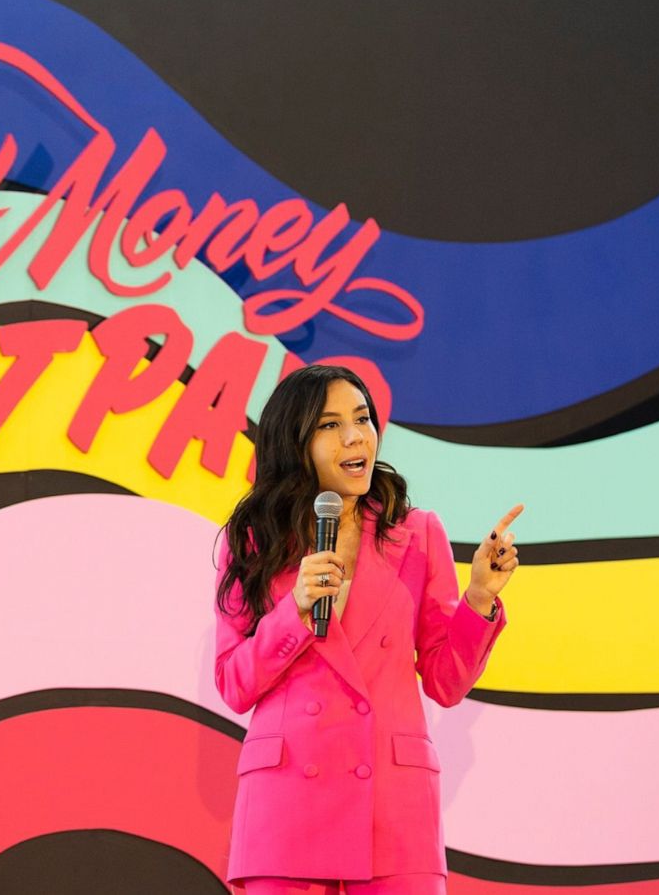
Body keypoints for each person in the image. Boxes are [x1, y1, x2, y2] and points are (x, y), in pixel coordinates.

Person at [213, 364, 522, 895]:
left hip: (392, 817)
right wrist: (296, 612)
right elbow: (234, 682)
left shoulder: (418, 533)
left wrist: (478, 599)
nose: (356, 436)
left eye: (362, 418)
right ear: (295, 442)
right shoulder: (250, 540)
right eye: (330, 425)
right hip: (287, 812)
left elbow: (446, 683)